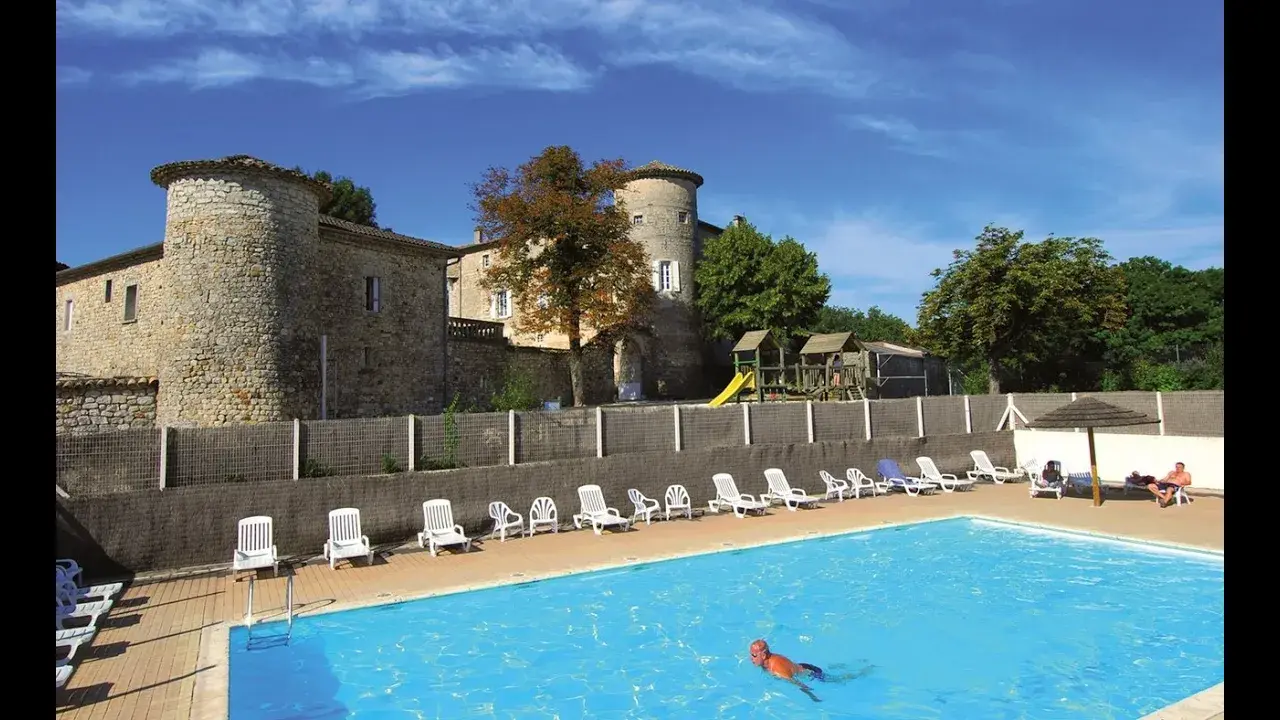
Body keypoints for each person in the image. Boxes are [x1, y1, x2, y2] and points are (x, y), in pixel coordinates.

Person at [749, 639, 827, 702]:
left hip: (811, 673)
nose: (751, 658)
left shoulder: (778, 669)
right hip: (798, 667)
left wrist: (812, 696)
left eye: (754, 655)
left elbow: (798, 683)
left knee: (830, 680)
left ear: (763, 656)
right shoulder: (766, 662)